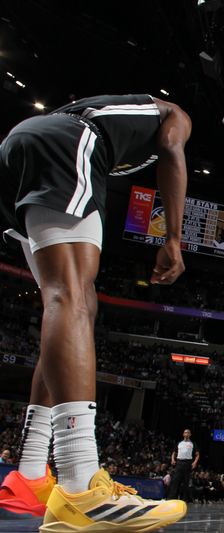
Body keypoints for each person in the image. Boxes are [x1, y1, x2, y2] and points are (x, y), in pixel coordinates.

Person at [0, 94, 190, 531]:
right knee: (72, 296)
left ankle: (29, 475)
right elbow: (172, 150)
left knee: (66, 298)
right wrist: (174, 237)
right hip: (66, 142)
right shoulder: (173, 113)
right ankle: (81, 483)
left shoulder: (108, 109)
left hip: (21, 146)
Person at [169, 429, 200, 501]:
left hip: (188, 462)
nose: (186, 433)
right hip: (179, 462)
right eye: (185, 432)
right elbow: (174, 452)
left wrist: (195, 462)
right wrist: (173, 459)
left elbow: (197, 454)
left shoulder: (193, 443)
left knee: (186, 481)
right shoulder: (179, 443)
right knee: (176, 480)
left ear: (190, 435)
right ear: (183, 434)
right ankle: (172, 498)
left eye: (188, 432)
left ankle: (184, 499)